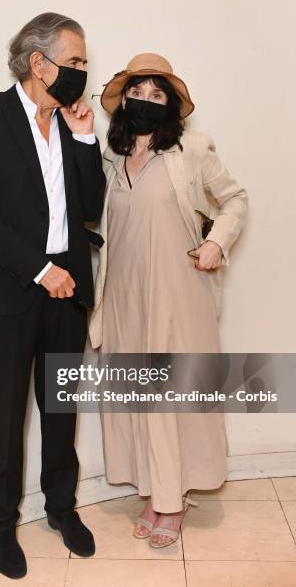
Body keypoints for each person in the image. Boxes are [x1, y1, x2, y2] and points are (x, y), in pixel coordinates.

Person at [0, 12, 106, 579]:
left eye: (85, 63)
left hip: (69, 291)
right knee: (3, 412)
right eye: (75, 61)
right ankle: (0, 524)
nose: (82, 73)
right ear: (38, 62)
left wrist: (86, 137)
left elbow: (89, 206)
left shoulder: (72, 122)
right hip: (10, 291)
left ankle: (61, 509)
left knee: (60, 408)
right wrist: (40, 269)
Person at [88, 53, 248, 549]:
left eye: (158, 95)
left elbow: (236, 198)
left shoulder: (192, 149)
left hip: (178, 294)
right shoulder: (108, 156)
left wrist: (217, 242)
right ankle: (153, 489)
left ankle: (172, 503)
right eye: (139, 92)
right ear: (124, 100)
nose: (146, 101)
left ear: (172, 106)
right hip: (123, 295)